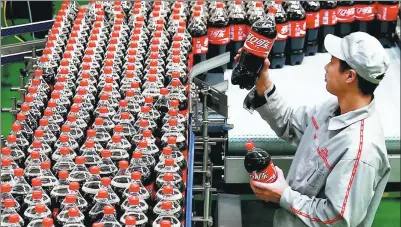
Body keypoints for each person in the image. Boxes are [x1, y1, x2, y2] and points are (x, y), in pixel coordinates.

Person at [237, 32, 392, 227]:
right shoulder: (334, 108)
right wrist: (263, 81)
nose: (326, 67)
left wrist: (283, 195)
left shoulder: (360, 151)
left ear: (350, 76)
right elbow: (290, 123)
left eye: (332, 62)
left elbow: (336, 219)